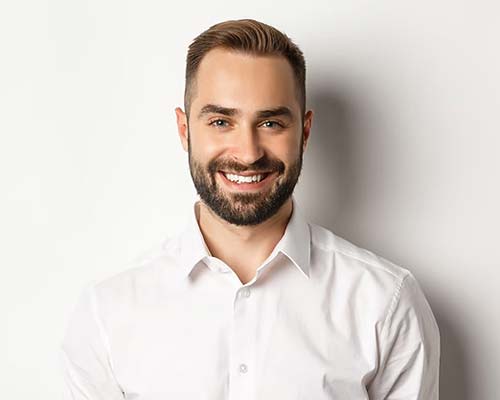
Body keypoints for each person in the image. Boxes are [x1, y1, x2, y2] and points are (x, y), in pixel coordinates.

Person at [59, 18, 440, 399]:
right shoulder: (107, 314)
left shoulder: (384, 303)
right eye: (221, 121)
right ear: (184, 130)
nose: (248, 153)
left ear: (305, 132)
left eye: (271, 122)